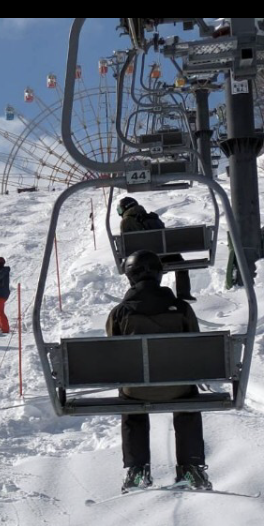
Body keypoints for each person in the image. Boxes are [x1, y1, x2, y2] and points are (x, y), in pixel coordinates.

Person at [106, 250, 212, 492]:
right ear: (159, 275)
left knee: (130, 404)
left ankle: (137, 470)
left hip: (136, 391)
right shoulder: (181, 308)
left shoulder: (120, 313)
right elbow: (196, 346)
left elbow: (113, 352)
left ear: (130, 277)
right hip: (177, 388)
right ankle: (190, 468)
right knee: (188, 401)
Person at [117, 196, 195, 301]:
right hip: (163, 257)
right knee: (179, 260)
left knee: (131, 267)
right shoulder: (153, 217)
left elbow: (127, 243)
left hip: (141, 259)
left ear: (124, 208)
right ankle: (183, 293)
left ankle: (139, 296)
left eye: (120, 210)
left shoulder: (126, 222)